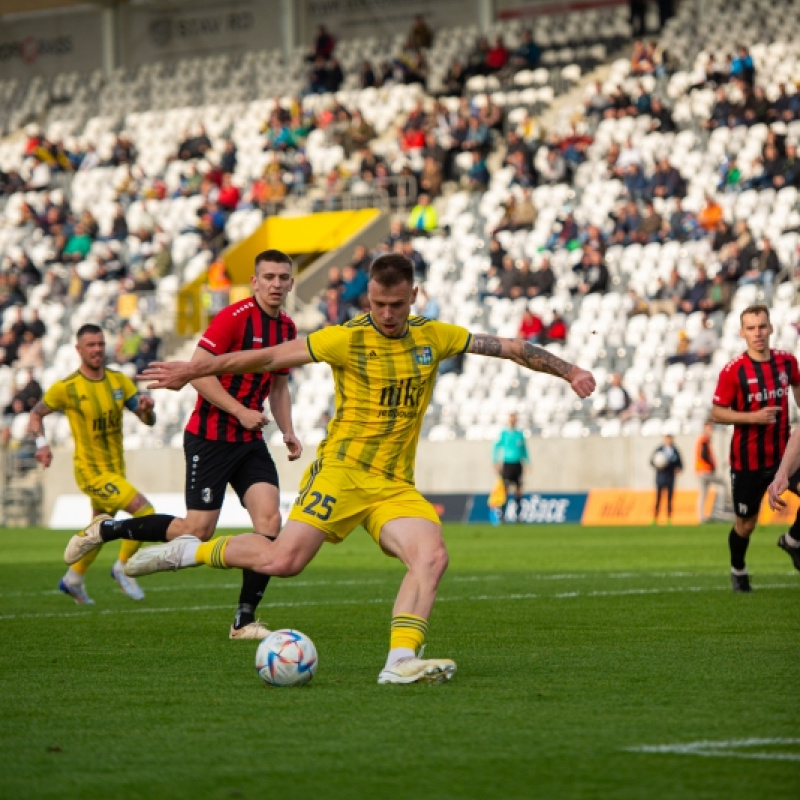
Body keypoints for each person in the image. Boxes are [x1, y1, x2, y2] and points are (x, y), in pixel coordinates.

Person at [68, 253, 596, 685]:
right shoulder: (345, 337)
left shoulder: (435, 336)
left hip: (392, 485)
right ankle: (189, 550)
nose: (386, 313)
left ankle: (398, 662)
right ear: (368, 297)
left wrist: (568, 370)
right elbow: (270, 358)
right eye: (377, 303)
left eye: (395, 304)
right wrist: (195, 369)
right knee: (282, 561)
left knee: (432, 556)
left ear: (413, 297)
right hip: (340, 473)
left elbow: (508, 348)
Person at [70, 251, 303, 638]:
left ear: (291, 283)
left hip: (249, 441)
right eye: (269, 277)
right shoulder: (232, 318)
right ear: (256, 282)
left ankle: (243, 620)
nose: (277, 283)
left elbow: (279, 385)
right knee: (196, 530)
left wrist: (288, 429)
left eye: (283, 277)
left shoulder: (287, 328)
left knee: (270, 522)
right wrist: (240, 410)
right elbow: (197, 374)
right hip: (209, 437)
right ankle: (108, 530)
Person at [26, 324, 157, 605]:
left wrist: (147, 411)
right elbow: (35, 415)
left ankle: (73, 579)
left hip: (115, 469)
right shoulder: (68, 387)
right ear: (78, 349)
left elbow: (146, 420)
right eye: (91, 345)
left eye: (100, 343)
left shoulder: (119, 381)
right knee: (146, 512)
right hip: (91, 473)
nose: (97, 349)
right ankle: (123, 568)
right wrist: (42, 445)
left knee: (100, 529)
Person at [712, 304, 800, 592]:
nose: (758, 333)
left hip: (785, 455)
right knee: (745, 525)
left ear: (771, 328)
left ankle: (793, 540)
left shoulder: (787, 362)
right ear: (742, 333)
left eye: (762, 326)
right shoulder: (733, 371)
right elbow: (717, 413)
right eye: (751, 328)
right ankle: (738, 568)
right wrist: (753, 417)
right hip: (747, 461)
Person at [493, 412, 530, 522]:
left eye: (514, 418)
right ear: (509, 420)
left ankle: (518, 516)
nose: (513, 420)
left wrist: (528, 463)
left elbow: (524, 450)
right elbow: (495, 447)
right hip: (507, 464)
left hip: (518, 464)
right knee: (505, 490)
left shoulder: (520, 434)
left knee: (519, 490)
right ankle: (502, 515)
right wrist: (495, 462)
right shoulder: (504, 434)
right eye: (511, 418)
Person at [695, 420, 727, 523]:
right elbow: (704, 454)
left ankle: (701, 517)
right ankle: (720, 510)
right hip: (705, 470)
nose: (711, 430)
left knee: (703, 493)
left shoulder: (703, 439)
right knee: (723, 483)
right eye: (709, 428)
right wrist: (712, 465)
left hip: (700, 471)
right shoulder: (704, 439)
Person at [651, 434, 683, 524]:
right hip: (661, 477)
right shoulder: (659, 450)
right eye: (667, 439)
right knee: (658, 498)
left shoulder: (675, 451)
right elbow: (651, 461)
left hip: (670, 478)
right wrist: (657, 465)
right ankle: (655, 518)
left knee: (669, 499)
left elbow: (680, 464)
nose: (668, 441)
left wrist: (678, 468)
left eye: (670, 439)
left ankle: (669, 518)